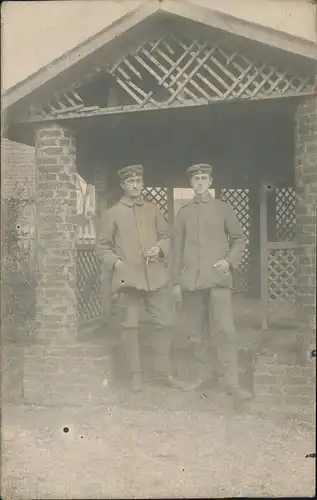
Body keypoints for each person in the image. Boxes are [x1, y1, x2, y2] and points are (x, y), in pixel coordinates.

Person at [171, 163, 252, 401]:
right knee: (196, 332)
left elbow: (239, 239)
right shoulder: (184, 212)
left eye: (204, 178)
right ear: (191, 183)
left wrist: (229, 262)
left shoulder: (223, 209)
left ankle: (231, 382)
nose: (199, 182)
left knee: (224, 330)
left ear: (210, 182)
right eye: (195, 178)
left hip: (217, 280)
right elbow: (176, 249)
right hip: (192, 283)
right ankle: (203, 377)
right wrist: (176, 281)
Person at [99, 164, 175, 392]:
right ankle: (136, 375)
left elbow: (166, 236)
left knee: (165, 322)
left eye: (139, 181)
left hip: (155, 276)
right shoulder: (113, 213)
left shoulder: (153, 209)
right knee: (130, 326)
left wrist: (160, 249)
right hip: (128, 279)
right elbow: (102, 247)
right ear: (123, 185)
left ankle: (162, 372)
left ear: (142, 184)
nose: (135, 185)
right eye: (130, 181)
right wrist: (118, 264)